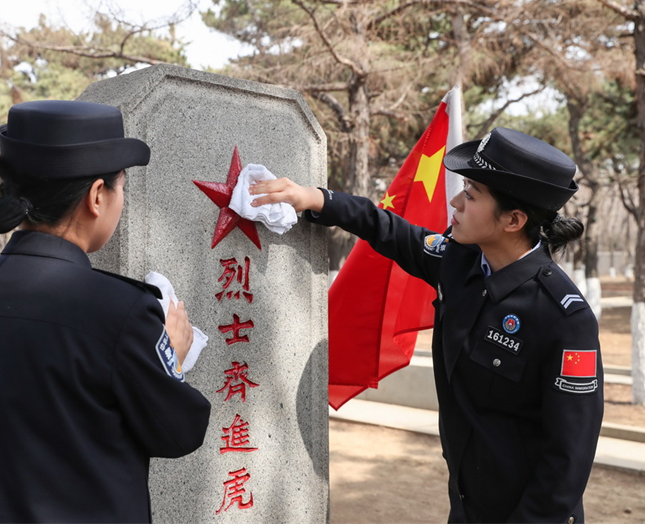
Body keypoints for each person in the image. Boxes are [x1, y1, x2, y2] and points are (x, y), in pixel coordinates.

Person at [251, 127, 603, 523]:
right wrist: (317, 199)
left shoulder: (562, 317)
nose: (456, 202)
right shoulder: (461, 263)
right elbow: (388, 229)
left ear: (513, 219)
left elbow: (569, 458)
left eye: (471, 195)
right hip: (468, 505)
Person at [0, 100, 211, 523]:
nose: (121, 201)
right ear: (96, 196)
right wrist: (173, 359)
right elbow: (179, 432)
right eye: (121, 188)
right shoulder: (123, 311)